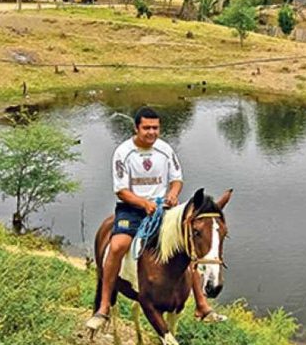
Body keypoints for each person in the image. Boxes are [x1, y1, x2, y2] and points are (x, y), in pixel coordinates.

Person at [86, 106, 226, 331]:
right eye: (146, 128)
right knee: (117, 245)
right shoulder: (123, 153)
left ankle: (201, 303)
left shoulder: (165, 150)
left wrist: (172, 194)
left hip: (163, 209)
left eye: (155, 128)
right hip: (132, 208)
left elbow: (177, 179)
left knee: (187, 240)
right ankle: (103, 306)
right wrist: (144, 203)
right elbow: (121, 190)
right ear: (136, 128)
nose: (151, 132)